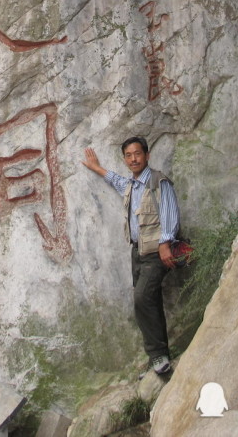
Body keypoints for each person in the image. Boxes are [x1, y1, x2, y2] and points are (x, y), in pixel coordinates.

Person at [83, 136, 180, 376]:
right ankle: (159, 358)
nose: (133, 159)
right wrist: (96, 168)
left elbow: (170, 211)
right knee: (151, 301)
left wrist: (166, 242)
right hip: (137, 252)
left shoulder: (158, 182)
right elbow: (116, 180)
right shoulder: (131, 185)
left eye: (137, 154)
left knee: (142, 299)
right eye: (128, 155)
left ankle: (158, 356)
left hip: (156, 252)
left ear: (147, 155)